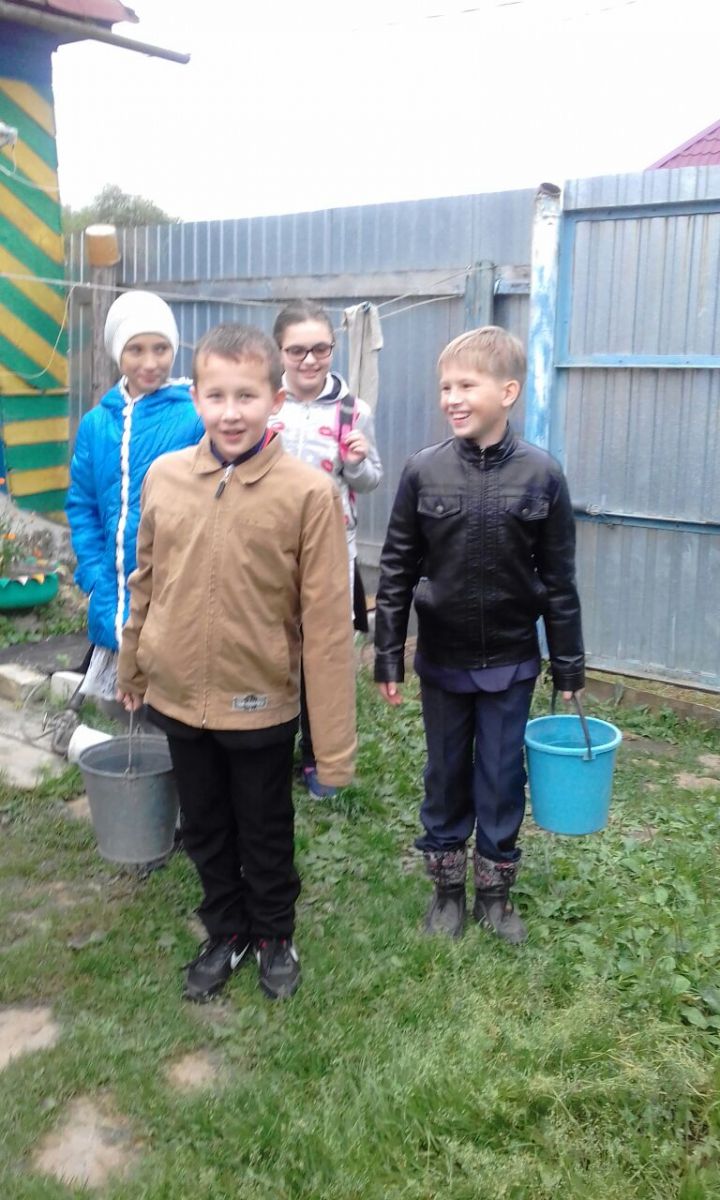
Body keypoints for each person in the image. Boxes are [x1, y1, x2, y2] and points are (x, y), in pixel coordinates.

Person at [116, 324, 356, 1002]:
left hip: (260, 703)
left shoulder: (307, 494)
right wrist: (133, 666)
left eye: (246, 396)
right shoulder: (165, 478)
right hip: (177, 696)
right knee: (204, 826)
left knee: (264, 826)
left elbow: (327, 629)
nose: (230, 412)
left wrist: (333, 749)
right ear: (194, 397)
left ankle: (274, 934)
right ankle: (226, 930)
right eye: (216, 395)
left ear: (274, 401)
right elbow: (145, 580)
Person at [374, 326, 585, 943]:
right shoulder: (423, 471)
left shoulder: (543, 475)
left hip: (512, 663)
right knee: (444, 774)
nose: (452, 398)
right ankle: (446, 892)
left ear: (507, 392)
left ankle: (495, 891)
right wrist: (388, 655)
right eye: (446, 387)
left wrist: (568, 667)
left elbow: (559, 580)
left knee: (500, 776)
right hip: (443, 660)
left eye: (466, 385)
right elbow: (396, 570)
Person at [66, 290, 203, 712]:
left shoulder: (195, 414)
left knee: (176, 695)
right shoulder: (96, 424)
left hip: (177, 580)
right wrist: (93, 573)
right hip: (112, 585)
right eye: (136, 349)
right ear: (117, 353)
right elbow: (83, 505)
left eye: (161, 348)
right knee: (120, 706)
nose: (150, 362)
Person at [271, 300, 383, 797]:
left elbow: (371, 479)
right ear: (280, 352)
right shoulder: (264, 403)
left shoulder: (353, 410)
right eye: (297, 350)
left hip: (333, 553)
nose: (310, 360)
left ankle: (320, 757)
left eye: (321, 348)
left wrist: (355, 461)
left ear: (333, 348)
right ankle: (271, 749)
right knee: (273, 653)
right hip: (269, 554)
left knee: (324, 657)